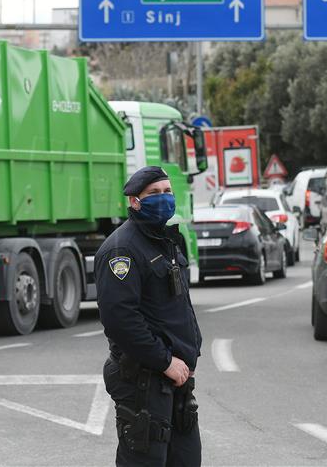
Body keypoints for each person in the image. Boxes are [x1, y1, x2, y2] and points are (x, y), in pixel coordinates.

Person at [95, 166, 202, 467]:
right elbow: (120, 319)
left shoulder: (166, 240)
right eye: (154, 193)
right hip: (142, 380)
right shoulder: (122, 250)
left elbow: (180, 305)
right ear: (134, 201)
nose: (164, 198)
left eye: (167, 191)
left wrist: (191, 354)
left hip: (177, 380)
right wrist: (165, 361)